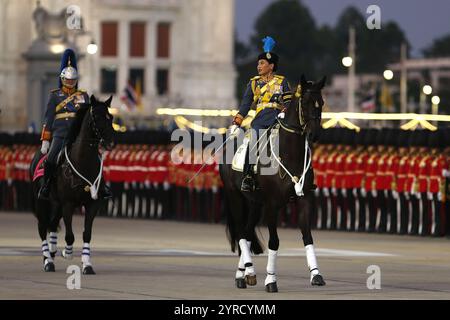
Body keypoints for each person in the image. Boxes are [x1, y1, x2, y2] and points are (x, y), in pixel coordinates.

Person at [38, 48, 111, 200]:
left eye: (73, 80)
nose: (70, 83)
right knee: (51, 158)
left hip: (77, 134)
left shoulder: (83, 96)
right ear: (63, 79)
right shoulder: (55, 96)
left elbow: (87, 117)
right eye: (68, 80)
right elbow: (48, 118)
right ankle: (46, 185)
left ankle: (101, 186)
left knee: (96, 159)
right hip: (60, 134)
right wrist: (45, 139)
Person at [230, 36, 292, 192]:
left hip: (278, 121)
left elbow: (289, 101)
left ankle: (292, 179)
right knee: (253, 144)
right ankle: (248, 176)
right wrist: (237, 121)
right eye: (258, 63)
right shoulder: (253, 83)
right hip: (259, 121)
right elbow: (245, 104)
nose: (258, 66)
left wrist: (285, 111)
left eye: (262, 63)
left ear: (271, 66)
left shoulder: (282, 82)